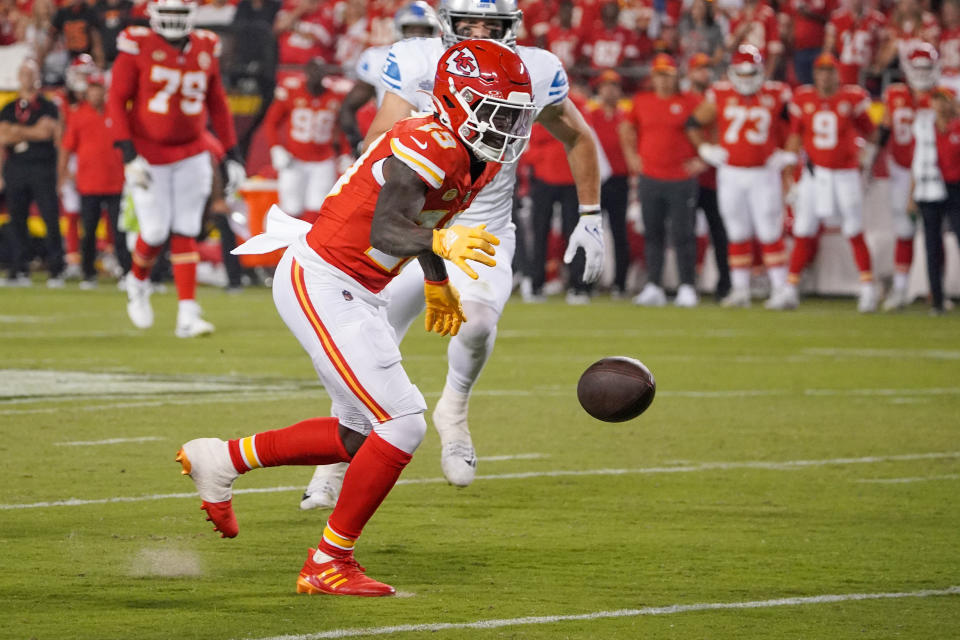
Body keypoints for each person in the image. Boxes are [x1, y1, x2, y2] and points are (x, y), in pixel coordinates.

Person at [177, 39, 535, 596]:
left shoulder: (475, 157)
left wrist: (438, 283)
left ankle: (221, 459)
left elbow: (417, 221)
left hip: (356, 285)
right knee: (405, 422)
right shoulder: (428, 140)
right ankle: (328, 562)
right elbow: (388, 228)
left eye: (514, 113)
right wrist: (442, 240)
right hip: (324, 278)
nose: (506, 124)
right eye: (496, 110)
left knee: (356, 434)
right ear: (456, 100)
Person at [299, 0, 604, 509]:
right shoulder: (417, 61)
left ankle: (454, 411)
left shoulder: (536, 69)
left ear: (514, 29)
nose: (480, 32)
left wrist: (592, 216)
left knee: (478, 322)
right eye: (470, 24)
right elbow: (380, 140)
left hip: (481, 227)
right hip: (418, 223)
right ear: (448, 25)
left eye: (493, 25)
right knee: (367, 347)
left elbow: (578, 135)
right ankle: (332, 464)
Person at [107, 0, 243, 337]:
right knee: (153, 231)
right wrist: (127, 154)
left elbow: (218, 104)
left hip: (192, 150)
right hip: (148, 153)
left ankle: (187, 313)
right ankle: (137, 283)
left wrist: (232, 154)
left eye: (180, 13)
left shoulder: (206, 46)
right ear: (152, 16)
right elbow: (116, 100)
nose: (173, 21)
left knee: (185, 228)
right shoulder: (137, 44)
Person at [688, 45, 795, 308]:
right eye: (741, 74)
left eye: (751, 74)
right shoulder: (720, 94)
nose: (746, 80)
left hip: (764, 172)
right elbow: (692, 123)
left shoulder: (776, 93)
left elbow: (799, 126)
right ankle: (740, 289)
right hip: (731, 172)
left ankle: (782, 289)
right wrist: (704, 148)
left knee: (769, 231)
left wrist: (789, 154)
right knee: (736, 232)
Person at [769, 53, 878, 312]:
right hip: (814, 174)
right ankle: (790, 289)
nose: (825, 76)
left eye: (830, 71)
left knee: (853, 229)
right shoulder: (803, 98)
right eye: (821, 71)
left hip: (845, 173)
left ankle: (868, 290)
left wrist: (867, 159)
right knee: (803, 229)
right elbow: (795, 137)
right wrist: (789, 175)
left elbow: (871, 132)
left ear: (838, 73)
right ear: (815, 74)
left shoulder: (852, 98)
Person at [620, 53, 705, 308]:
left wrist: (703, 159)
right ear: (653, 77)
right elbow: (626, 128)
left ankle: (687, 286)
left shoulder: (691, 101)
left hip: (681, 177)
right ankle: (654, 285)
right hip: (651, 177)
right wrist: (631, 156)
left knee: (683, 234)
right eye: (659, 75)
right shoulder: (642, 100)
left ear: (675, 76)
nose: (663, 80)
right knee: (652, 233)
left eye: (667, 75)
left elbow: (713, 125)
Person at [878, 43, 937, 311]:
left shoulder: (944, 95)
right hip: (902, 169)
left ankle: (934, 290)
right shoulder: (893, 94)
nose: (923, 73)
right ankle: (901, 288)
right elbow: (884, 128)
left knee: (934, 231)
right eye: (918, 68)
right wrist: (870, 158)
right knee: (904, 230)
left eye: (927, 68)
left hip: (933, 171)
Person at [59, 66, 128, 289]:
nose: (95, 93)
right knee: (88, 230)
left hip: (116, 181)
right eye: (92, 89)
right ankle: (88, 274)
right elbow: (67, 147)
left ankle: (126, 273)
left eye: (98, 89)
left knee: (120, 231)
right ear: (87, 91)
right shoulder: (78, 115)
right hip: (89, 183)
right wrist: (62, 174)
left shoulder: (116, 113)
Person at [338, 1, 438, 152]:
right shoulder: (378, 58)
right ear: (398, 29)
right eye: (411, 30)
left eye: (424, 31)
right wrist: (357, 143)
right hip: (391, 143)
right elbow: (348, 107)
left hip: (435, 142)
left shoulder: (444, 60)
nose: (418, 37)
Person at [0, 59, 63, 287]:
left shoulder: (47, 106)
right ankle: (19, 269)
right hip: (15, 168)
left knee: (50, 217)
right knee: (17, 219)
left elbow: (51, 134)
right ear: (19, 76)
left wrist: (16, 131)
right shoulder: (9, 107)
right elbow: (2, 137)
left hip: (42, 168)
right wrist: (32, 132)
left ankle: (57, 269)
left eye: (30, 73)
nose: (26, 77)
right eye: (23, 72)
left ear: (37, 77)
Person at [264, 59, 346, 223]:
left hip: (323, 160)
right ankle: (285, 247)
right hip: (294, 158)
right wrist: (276, 148)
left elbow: (343, 127)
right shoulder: (292, 91)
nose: (316, 76)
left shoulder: (336, 95)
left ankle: (309, 247)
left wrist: (344, 153)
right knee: (291, 207)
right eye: (314, 71)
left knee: (319, 208)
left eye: (320, 72)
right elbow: (271, 122)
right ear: (306, 73)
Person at [685, 52, 731, 301]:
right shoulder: (685, 99)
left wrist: (706, 158)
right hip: (690, 176)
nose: (705, 73)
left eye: (706, 69)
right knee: (687, 234)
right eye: (699, 69)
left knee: (721, 233)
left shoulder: (719, 97)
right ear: (690, 72)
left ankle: (726, 285)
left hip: (717, 175)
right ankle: (688, 285)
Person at [912, 85, 960, 315]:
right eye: (936, 100)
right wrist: (913, 192)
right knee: (932, 245)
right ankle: (937, 300)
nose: (940, 104)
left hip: (956, 189)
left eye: (945, 100)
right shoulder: (924, 127)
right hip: (930, 188)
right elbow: (918, 160)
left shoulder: (958, 126)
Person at [587, 69, 632, 298]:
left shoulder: (626, 115)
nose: (609, 90)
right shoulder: (590, 114)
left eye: (613, 86)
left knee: (619, 232)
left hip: (619, 179)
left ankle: (620, 283)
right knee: (590, 231)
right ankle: (587, 283)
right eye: (605, 86)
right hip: (594, 180)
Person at [823, 0, 887, 86]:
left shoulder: (877, 19)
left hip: (867, 70)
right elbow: (829, 47)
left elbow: (885, 44)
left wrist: (879, 63)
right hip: (844, 69)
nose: (856, 2)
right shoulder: (836, 18)